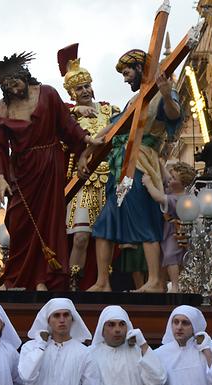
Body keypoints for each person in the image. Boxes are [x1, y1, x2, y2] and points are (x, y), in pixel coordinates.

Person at [0, 51, 95, 291]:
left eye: (15, 83)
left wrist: (85, 138)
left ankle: (45, 278)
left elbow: (67, 125)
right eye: (7, 86)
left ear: (24, 76)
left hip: (50, 165)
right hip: (21, 171)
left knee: (49, 222)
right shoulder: (3, 108)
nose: (13, 89)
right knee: (18, 221)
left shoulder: (47, 94)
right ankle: (18, 277)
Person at [86, 49, 182, 293]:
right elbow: (113, 127)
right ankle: (102, 282)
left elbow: (174, 115)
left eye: (127, 72)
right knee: (104, 225)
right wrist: (86, 152)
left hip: (140, 163)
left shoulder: (162, 92)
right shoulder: (134, 99)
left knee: (143, 220)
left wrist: (166, 95)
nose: (126, 78)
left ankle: (155, 281)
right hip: (120, 166)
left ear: (140, 68)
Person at [57, 46, 120, 288]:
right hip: (83, 181)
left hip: (108, 180)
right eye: (78, 88)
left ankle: (105, 283)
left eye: (86, 86)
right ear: (71, 93)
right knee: (81, 237)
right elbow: (50, 115)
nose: (84, 91)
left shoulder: (109, 110)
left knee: (106, 238)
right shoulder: (68, 116)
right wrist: (72, 111)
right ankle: (72, 285)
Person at [143, 161, 194, 292]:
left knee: (171, 256)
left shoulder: (179, 199)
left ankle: (176, 285)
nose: (170, 180)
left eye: (174, 179)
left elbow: (159, 197)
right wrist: (159, 162)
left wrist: (148, 184)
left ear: (182, 184)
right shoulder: (174, 191)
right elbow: (166, 177)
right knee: (165, 256)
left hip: (175, 231)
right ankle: (163, 284)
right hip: (169, 230)